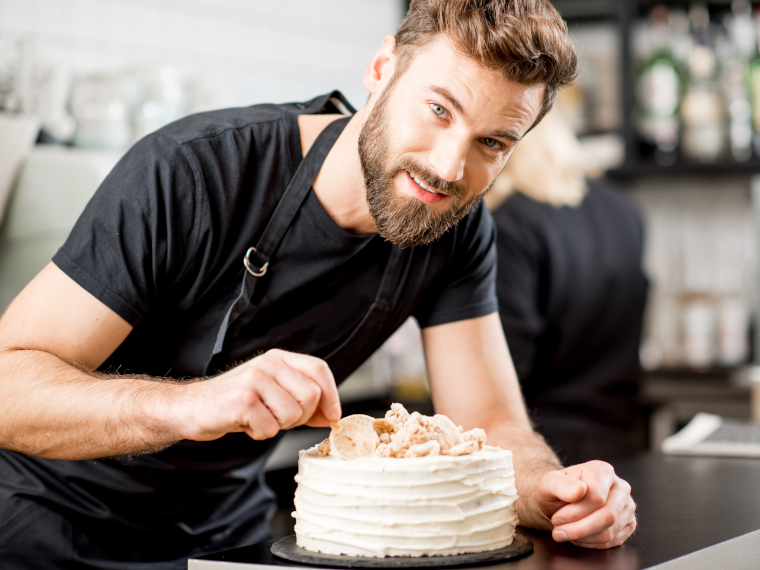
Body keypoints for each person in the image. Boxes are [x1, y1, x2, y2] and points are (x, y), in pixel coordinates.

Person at [0, 1, 636, 567]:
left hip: (227, 540)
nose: (448, 165)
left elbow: (493, 427)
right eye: (439, 109)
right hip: (51, 524)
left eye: (491, 142)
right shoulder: (192, 172)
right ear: (382, 69)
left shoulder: (456, 229)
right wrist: (192, 405)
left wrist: (555, 491)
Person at [486, 110, 649, 465]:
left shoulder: (512, 223)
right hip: (622, 438)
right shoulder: (622, 208)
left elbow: (505, 365)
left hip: (545, 451)